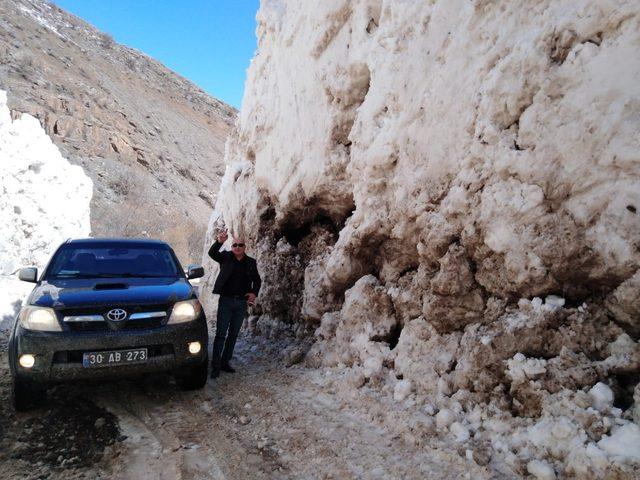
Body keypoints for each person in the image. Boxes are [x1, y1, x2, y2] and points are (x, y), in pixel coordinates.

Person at [207, 229, 261, 378]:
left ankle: (225, 362)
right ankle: (216, 365)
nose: (237, 247)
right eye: (234, 245)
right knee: (220, 335)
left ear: (245, 247)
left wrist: (253, 292)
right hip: (225, 301)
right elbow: (212, 253)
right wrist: (219, 242)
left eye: (240, 245)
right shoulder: (225, 257)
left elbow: (257, 280)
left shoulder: (251, 262)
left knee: (233, 335)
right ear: (231, 247)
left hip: (241, 303)